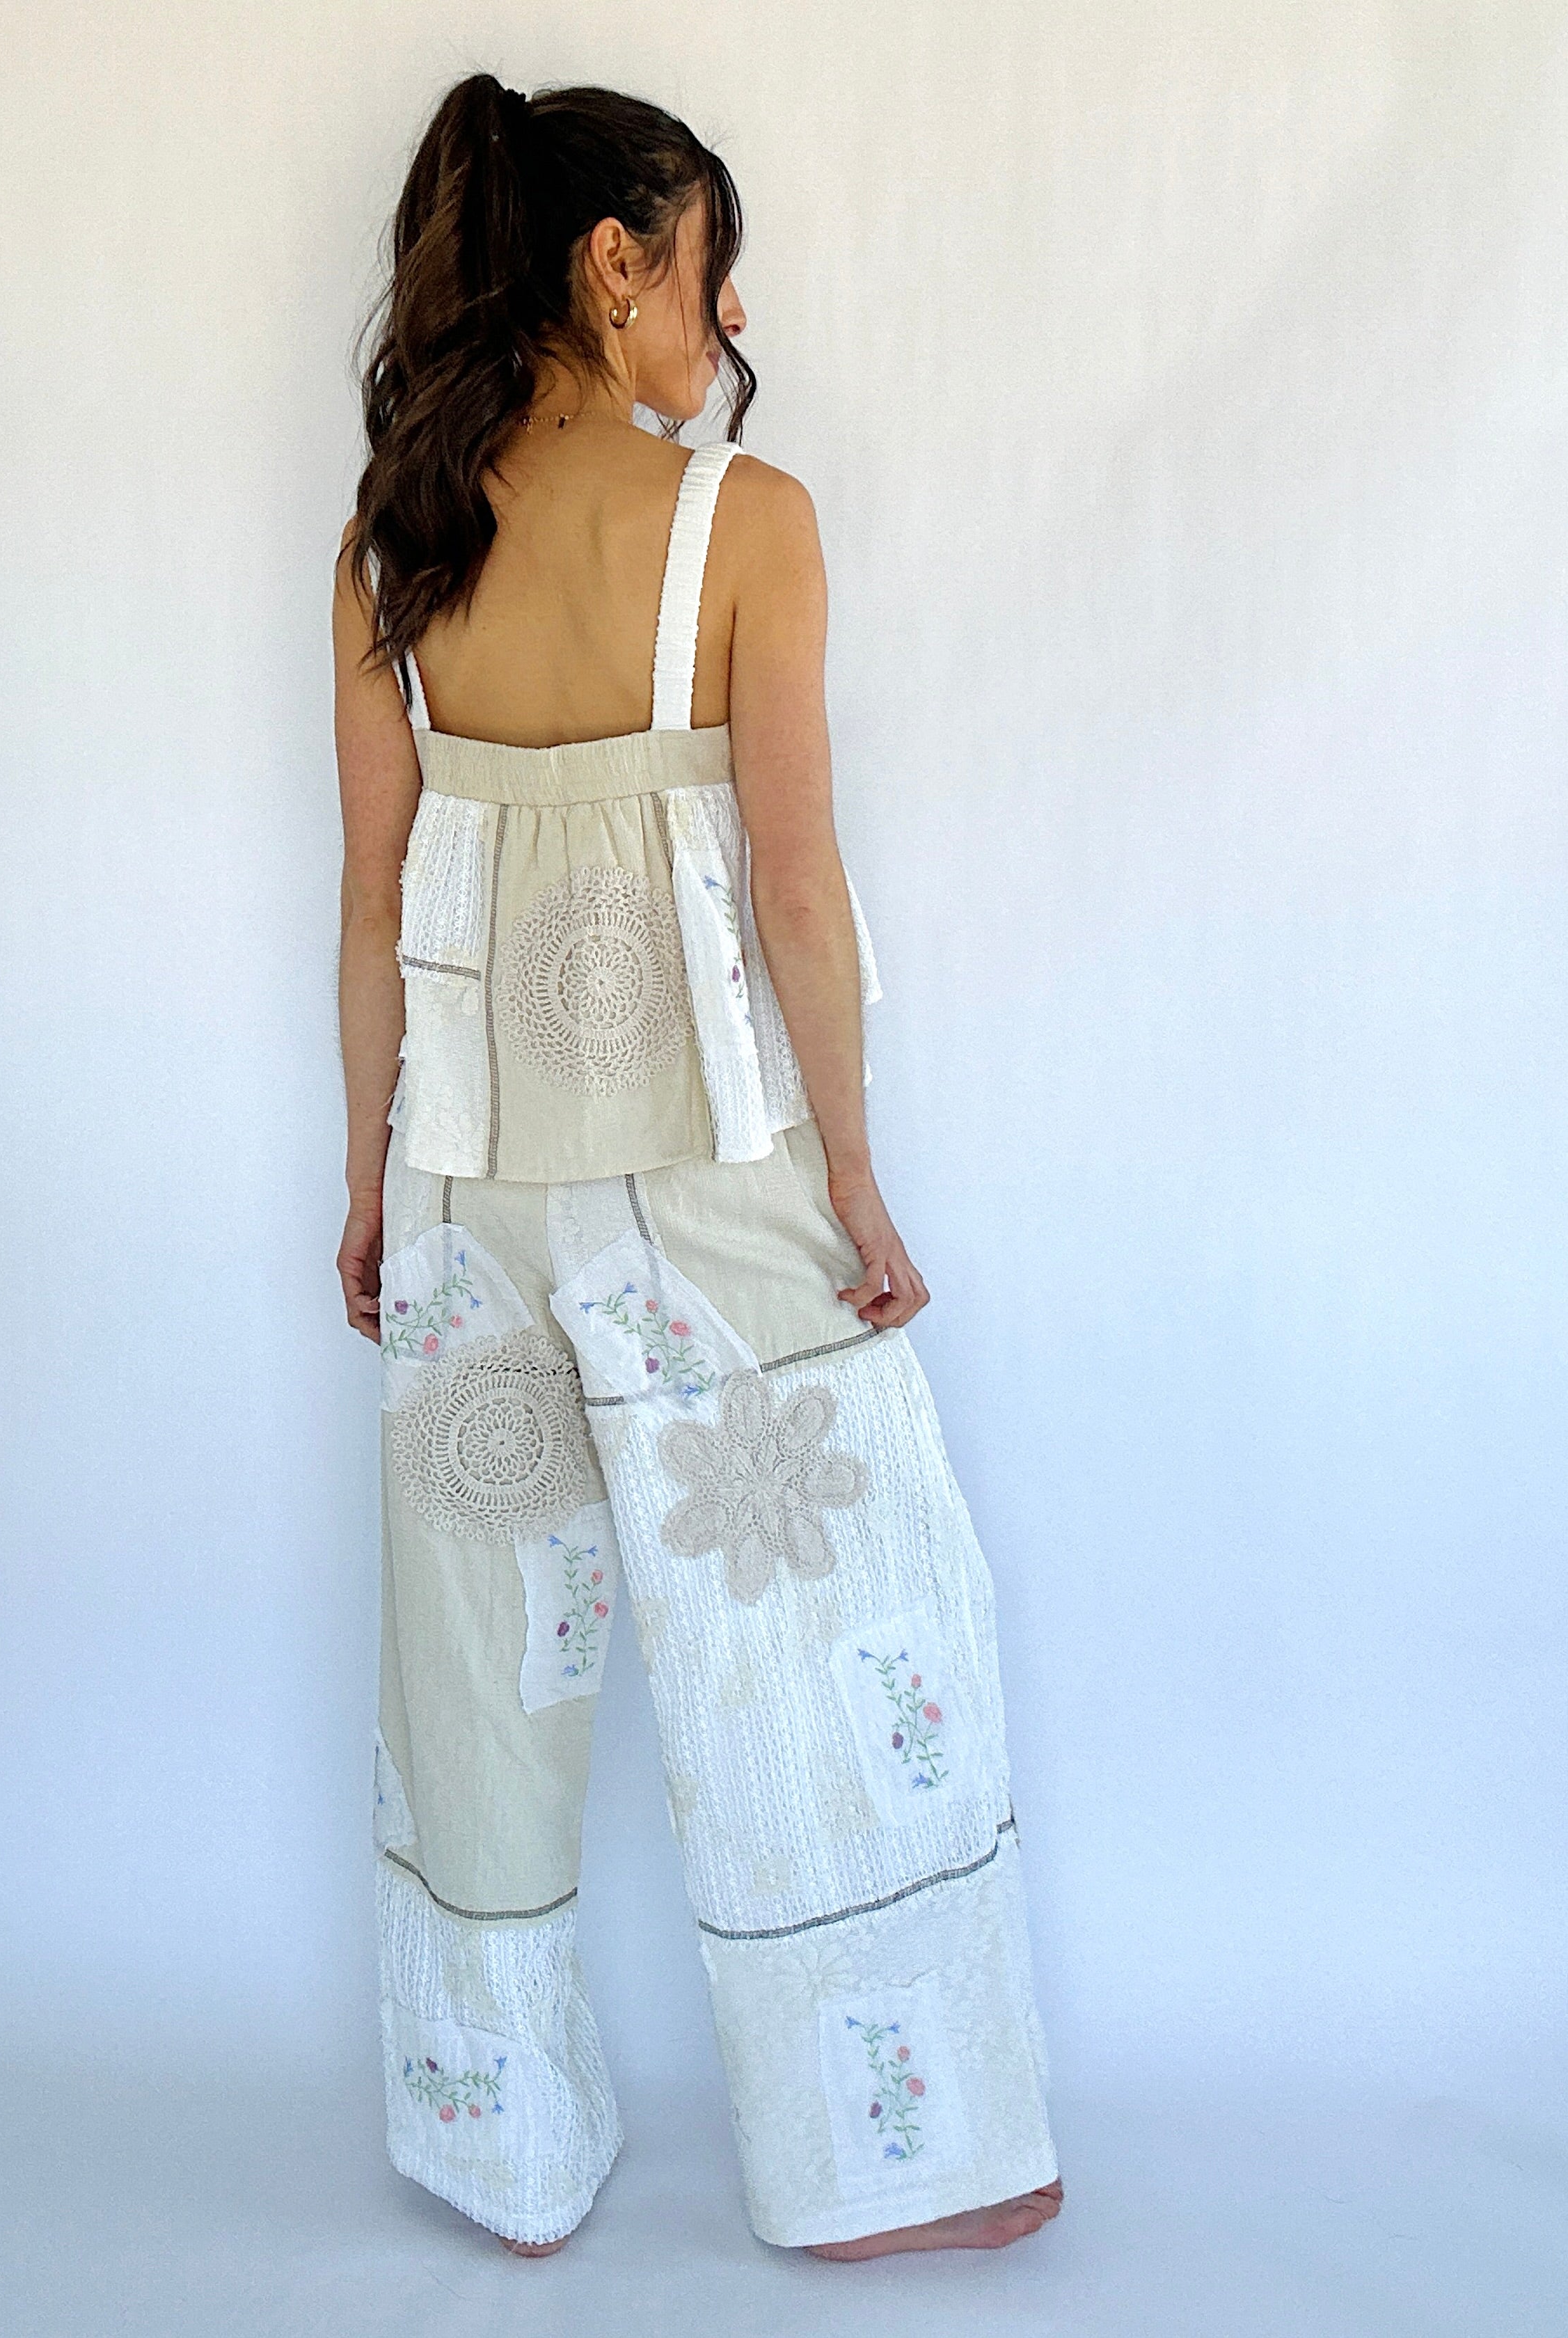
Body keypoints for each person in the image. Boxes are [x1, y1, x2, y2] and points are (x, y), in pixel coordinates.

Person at [332, 72, 1063, 2261]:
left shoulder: (392, 539)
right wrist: (859, 1179)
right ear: (612, 260)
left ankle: (502, 2159)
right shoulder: (747, 521)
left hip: (461, 1182)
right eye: (704, 262)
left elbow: (366, 903)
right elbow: (803, 890)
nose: (724, 314)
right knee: (831, 1621)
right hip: (709, 1180)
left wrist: (366, 1186)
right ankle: (888, 2160)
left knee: (480, 1661)